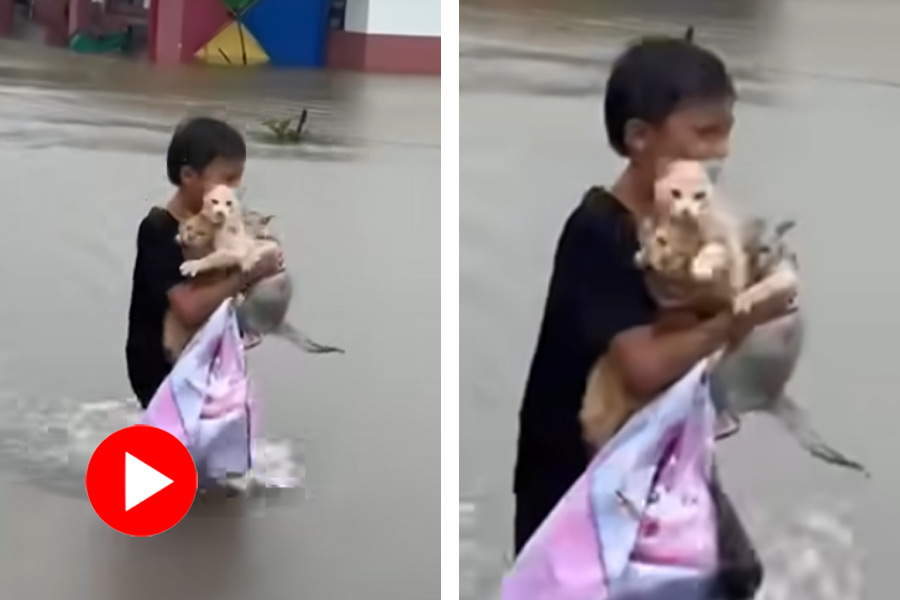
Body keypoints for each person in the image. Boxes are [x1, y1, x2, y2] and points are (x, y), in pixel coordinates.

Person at [512, 36, 794, 595]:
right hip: (581, 481)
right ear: (640, 137)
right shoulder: (600, 231)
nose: (722, 152)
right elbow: (641, 366)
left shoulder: (699, 233)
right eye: (705, 133)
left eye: (728, 129)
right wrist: (737, 318)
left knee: (735, 575)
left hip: (658, 460)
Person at [125, 117, 283, 409]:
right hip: (161, 368)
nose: (234, 190)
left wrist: (265, 261)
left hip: (208, 360)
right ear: (188, 175)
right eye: (227, 179)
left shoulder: (224, 224)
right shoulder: (159, 229)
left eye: (238, 179)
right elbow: (188, 309)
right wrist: (248, 273)